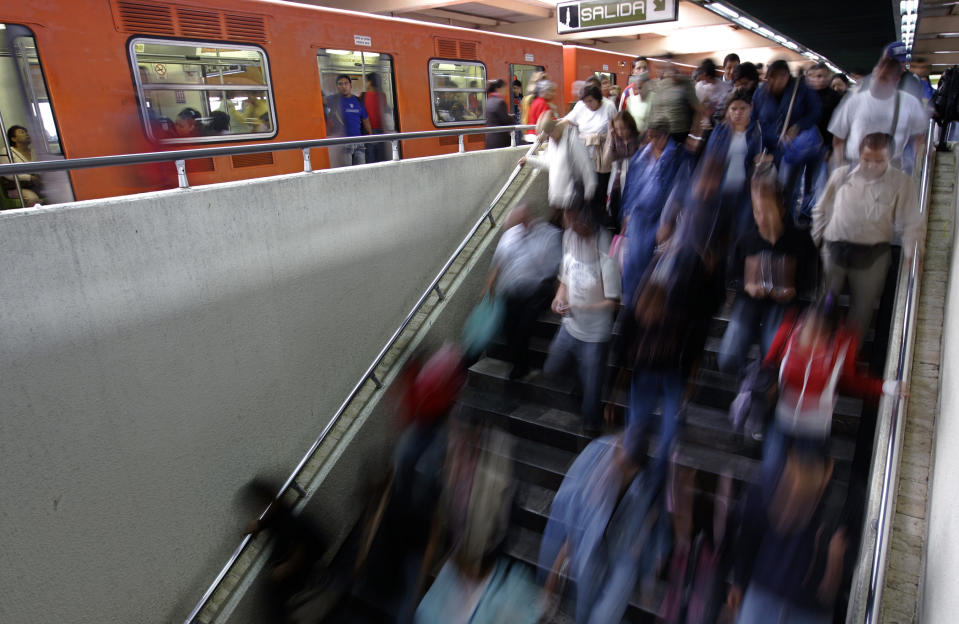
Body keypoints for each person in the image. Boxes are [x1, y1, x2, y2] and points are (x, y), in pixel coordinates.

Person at [538, 433, 670, 624]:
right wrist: (554, 576)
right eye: (615, 451)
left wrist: (648, 572)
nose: (613, 461)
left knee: (602, 616)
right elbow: (576, 525)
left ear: (633, 469)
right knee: (584, 603)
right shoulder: (600, 467)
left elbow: (645, 533)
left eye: (620, 458)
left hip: (622, 556)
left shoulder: (642, 490)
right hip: (593, 549)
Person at [812, 132, 924, 335]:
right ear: (859, 155)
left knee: (861, 315)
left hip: (872, 256)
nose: (871, 165)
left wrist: (911, 253)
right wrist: (818, 238)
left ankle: (848, 359)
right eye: (866, 159)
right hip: (835, 250)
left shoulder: (901, 183)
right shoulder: (842, 175)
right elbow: (821, 208)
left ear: (889, 158)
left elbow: (911, 222)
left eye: (879, 161)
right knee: (825, 306)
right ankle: (817, 353)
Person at [726, 449, 849, 624]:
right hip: (771, 596)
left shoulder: (840, 493)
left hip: (802, 607)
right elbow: (750, 531)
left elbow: (750, 531)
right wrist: (739, 580)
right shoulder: (774, 476)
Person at [717, 165, 817, 375]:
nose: (760, 218)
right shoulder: (747, 240)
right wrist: (747, 286)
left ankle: (762, 384)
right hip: (750, 301)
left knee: (772, 355)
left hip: (781, 304)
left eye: (766, 212)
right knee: (728, 358)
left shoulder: (799, 240)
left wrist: (794, 291)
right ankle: (748, 381)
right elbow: (732, 275)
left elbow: (811, 278)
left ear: (781, 209)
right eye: (756, 211)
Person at [543, 207, 620, 435]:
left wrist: (585, 307)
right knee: (552, 368)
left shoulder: (607, 265)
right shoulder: (569, 258)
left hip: (595, 337)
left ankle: (591, 426)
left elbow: (613, 302)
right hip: (569, 328)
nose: (574, 242)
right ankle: (579, 377)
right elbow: (564, 284)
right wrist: (557, 300)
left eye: (580, 238)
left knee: (593, 390)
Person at [483, 203, 561, 380]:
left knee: (522, 330)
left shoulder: (548, 234)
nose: (512, 227)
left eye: (517, 221)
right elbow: (499, 261)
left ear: (526, 218)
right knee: (509, 329)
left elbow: (554, 268)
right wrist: (490, 286)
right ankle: (519, 364)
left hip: (537, 292)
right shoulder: (510, 235)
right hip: (511, 291)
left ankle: (521, 367)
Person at [828, 47, 928, 175]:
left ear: (896, 79)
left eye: (884, 78)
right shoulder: (855, 100)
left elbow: (919, 138)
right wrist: (841, 166)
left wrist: (919, 167)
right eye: (875, 76)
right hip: (856, 166)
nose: (877, 81)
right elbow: (838, 138)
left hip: (891, 169)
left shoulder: (910, 101)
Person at [619, 121, 687, 303]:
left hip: (660, 218)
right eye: (649, 136)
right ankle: (632, 305)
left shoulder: (678, 156)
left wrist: (669, 221)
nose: (651, 140)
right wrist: (626, 212)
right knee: (633, 264)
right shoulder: (641, 156)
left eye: (655, 136)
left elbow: (680, 191)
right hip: (638, 216)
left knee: (657, 268)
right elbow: (630, 185)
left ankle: (651, 306)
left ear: (665, 136)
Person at [751, 60, 822, 217]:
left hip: (792, 148)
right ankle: (768, 217)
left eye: (777, 78)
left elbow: (816, 111)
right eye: (770, 78)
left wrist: (799, 126)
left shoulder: (802, 90)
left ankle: (787, 217)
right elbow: (753, 118)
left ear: (786, 76)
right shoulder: (761, 93)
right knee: (767, 184)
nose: (773, 82)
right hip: (768, 145)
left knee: (788, 185)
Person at [700, 88, 764, 243]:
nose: (738, 113)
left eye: (743, 108)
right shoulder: (720, 131)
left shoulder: (757, 131)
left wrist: (766, 158)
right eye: (733, 109)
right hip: (719, 189)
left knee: (740, 233)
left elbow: (772, 150)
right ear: (728, 110)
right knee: (715, 233)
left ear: (751, 108)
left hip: (745, 192)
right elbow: (710, 158)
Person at [520, 112, 596, 212]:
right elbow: (548, 163)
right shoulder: (553, 141)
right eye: (548, 135)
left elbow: (585, 164)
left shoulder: (571, 139)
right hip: (559, 195)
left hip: (572, 193)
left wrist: (590, 188)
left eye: (551, 133)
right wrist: (528, 160)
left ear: (556, 128)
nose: (550, 136)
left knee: (573, 222)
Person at [566, 84, 617, 223]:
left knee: (599, 190)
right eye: (585, 101)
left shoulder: (609, 106)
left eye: (591, 101)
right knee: (584, 190)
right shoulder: (581, 107)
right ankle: (586, 221)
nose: (588, 104)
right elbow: (568, 121)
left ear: (598, 98)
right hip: (584, 154)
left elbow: (615, 129)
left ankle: (598, 222)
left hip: (602, 155)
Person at [648, 60, 706, 147]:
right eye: (665, 70)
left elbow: (699, 111)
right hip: (661, 135)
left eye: (671, 69)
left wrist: (693, 136)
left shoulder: (685, 84)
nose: (669, 74)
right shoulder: (658, 87)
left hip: (680, 135)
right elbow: (653, 111)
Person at [324, 74, 371, 167]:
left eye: (346, 83)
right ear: (337, 86)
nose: (343, 86)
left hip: (359, 143)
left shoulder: (357, 101)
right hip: (344, 144)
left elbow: (365, 119)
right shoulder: (333, 99)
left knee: (361, 170)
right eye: (340, 84)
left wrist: (370, 135)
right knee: (347, 171)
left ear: (350, 85)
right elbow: (321, 100)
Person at [606, 111, 643, 229]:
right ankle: (617, 228)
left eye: (623, 128)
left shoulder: (638, 138)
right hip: (619, 173)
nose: (620, 132)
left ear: (630, 126)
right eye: (617, 129)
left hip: (635, 175)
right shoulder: (615, 138)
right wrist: (610, 140)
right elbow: (608, 159)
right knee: (615, 200)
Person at [1, 125, 42, 206]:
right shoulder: (6, 151)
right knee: (32, 198)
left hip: (36, 185)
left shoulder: (34, 152)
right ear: (14, 139)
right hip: (17, 187)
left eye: (26, 132)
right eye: (22, 132)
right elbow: (8, 173)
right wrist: (30, 178)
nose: (27, 134)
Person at [695, 58, 732, 125]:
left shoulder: (725, 87)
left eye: (705, 77)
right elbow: (698, 106)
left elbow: (728, 107)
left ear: (709, 76)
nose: (703, 80)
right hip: (706, 123)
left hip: (722, 122)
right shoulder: (699, 86)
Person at [363, 72, 389, 163]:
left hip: (370, 131)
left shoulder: (364, 96)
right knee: (381, 158)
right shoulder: (383, 95)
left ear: (369, 82)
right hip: (381, 130)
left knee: (371, 158)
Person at [484, 79, 514, 149]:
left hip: (490, 139)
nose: (505, 92)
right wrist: (512, 117)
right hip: (500, 140)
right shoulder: (500, 102)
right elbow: (505, 120)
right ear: (499, 89)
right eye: (504, 89)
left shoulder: (489, 101)